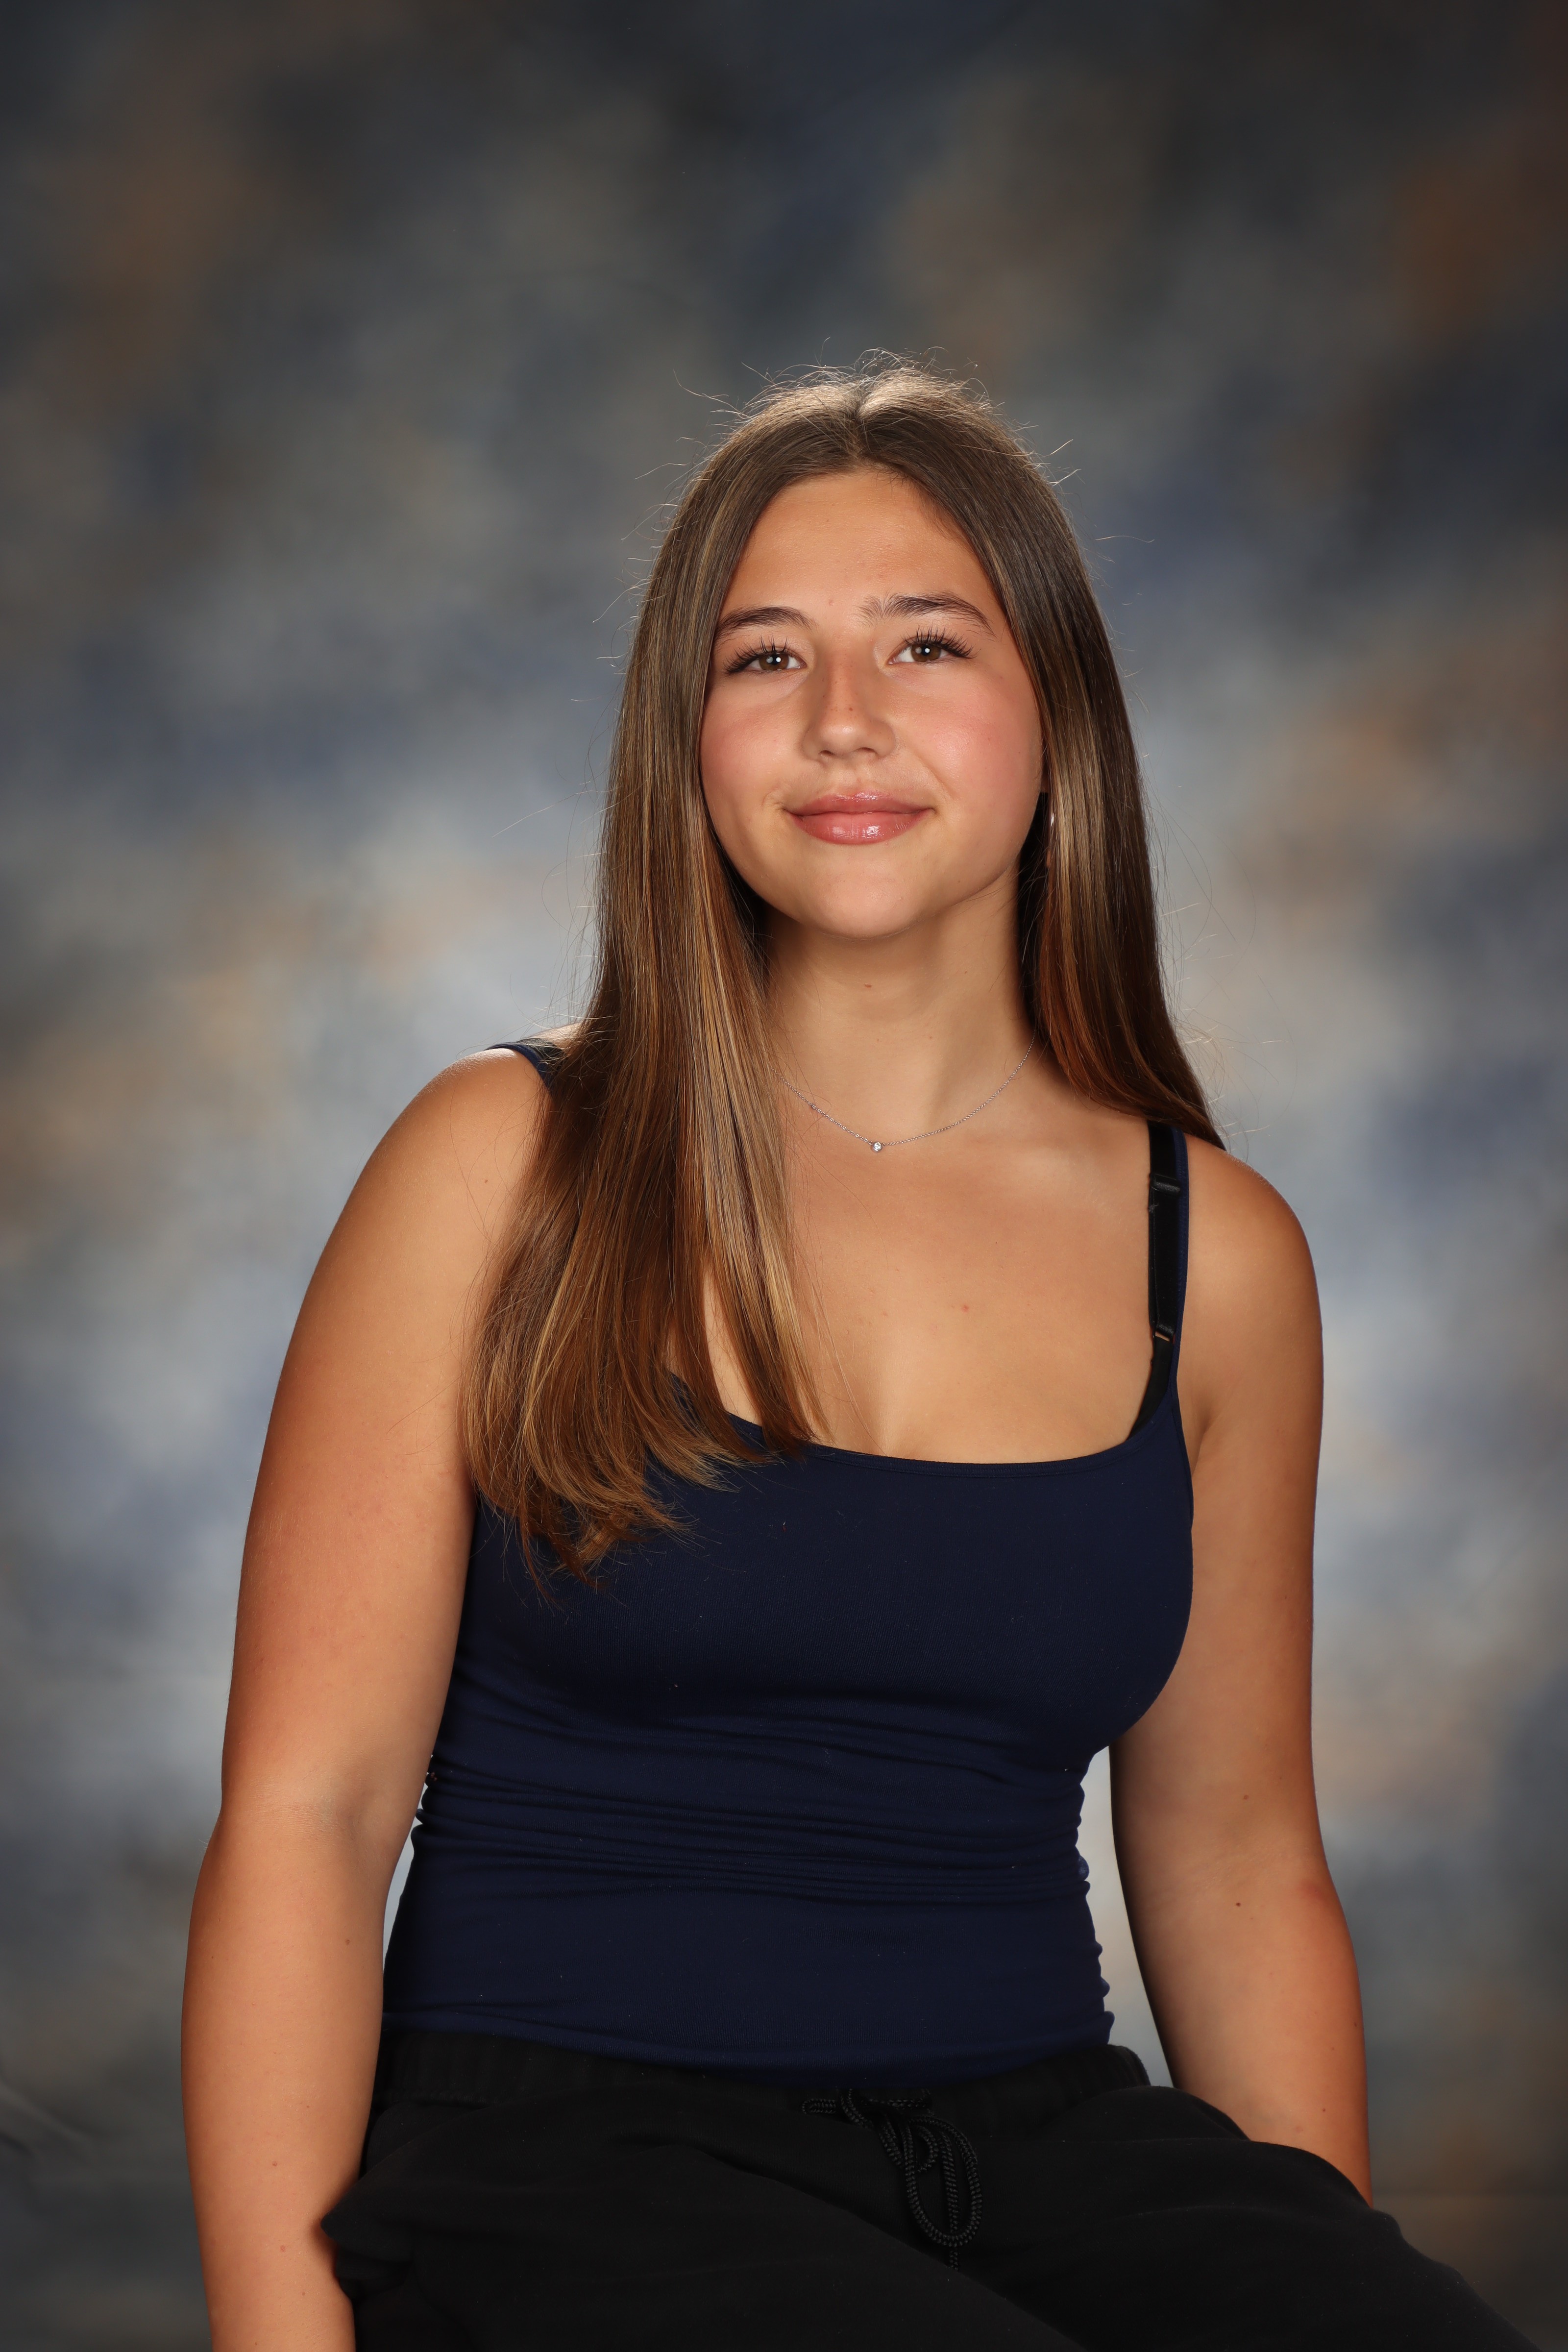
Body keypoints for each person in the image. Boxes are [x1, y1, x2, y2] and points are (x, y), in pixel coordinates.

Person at [182, 361, 1533, 2351]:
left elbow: (1236, 1853)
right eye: (764, 658)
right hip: (563, 2164)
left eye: (925, 643)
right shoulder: (503, 1166)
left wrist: (1309, 2283)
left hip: (1044, 2145)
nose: (843, 719)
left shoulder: (1219, 1257)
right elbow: (307, 1820)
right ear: (686, 741)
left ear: (1059, 719)